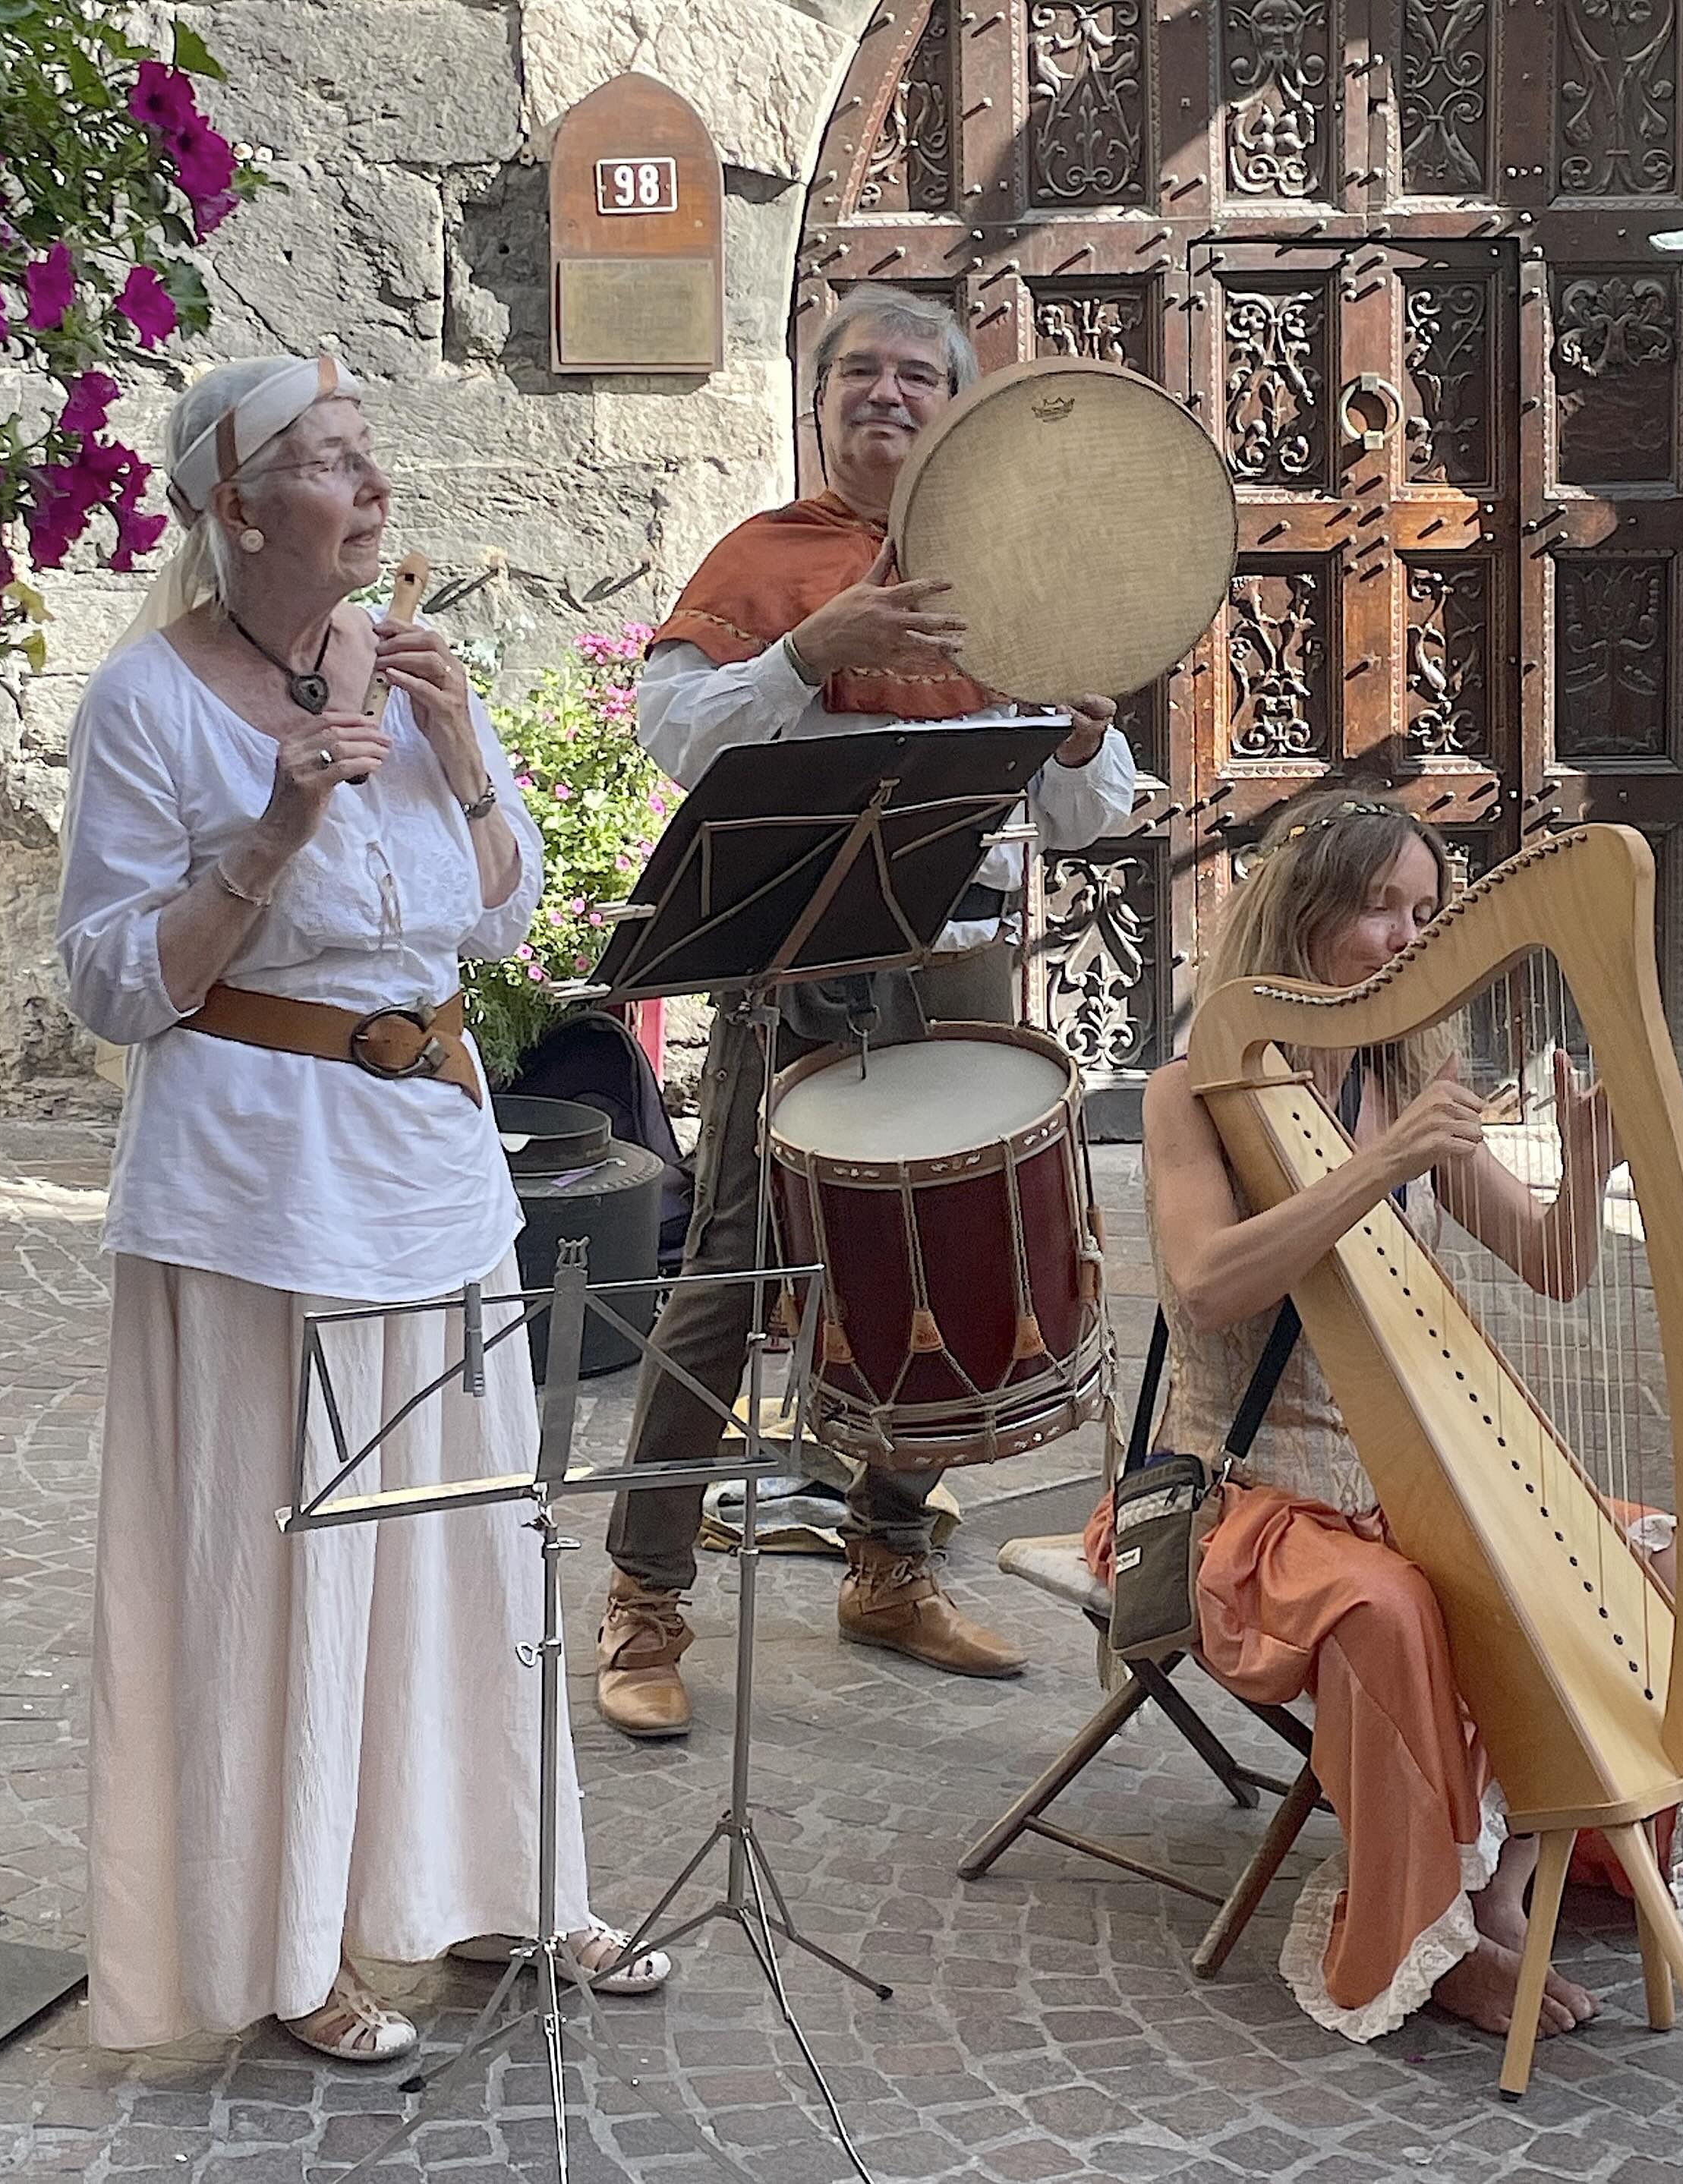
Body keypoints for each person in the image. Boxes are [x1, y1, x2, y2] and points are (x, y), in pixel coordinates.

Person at [57, 353, 670, 2063]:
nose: (373, 483)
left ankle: (497, 1885)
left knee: (472, 1544)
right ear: (239, 506)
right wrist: (272, 826)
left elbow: (493, 915)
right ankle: (290, 1941)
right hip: (256, 1184)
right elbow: (114, 982)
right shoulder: (149, 702)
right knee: (288, 1563)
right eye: (331, 461)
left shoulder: (401, 676)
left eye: (368, 452)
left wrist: (462, 744)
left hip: (434, 1157)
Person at [596, 286, 1137, 1738]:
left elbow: (1088, 814)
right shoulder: (764, 560)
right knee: (728, 1272)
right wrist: (805, 647)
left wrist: (1083, 735)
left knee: (948, 1260)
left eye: (918, 375)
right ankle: (646, 1591)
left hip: (959, 969)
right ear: (819, 397)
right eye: (859, 373)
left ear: (956, 407)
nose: (886, 393)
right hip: (798, 977)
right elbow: (674, 742)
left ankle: (888, 1561)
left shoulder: (1013, 573)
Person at [1120, 788, 1675, 2044]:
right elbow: (1207, 1283)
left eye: (1428, 912)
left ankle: (1508, 1885)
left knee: (1634, 1549)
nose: (1408, 938)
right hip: (1248, 1496)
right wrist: (1378, 1166)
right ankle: (1426, 1933)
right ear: (1303, 919)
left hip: (1392, 1487)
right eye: (1380, 908)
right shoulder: (1191, 1093)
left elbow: (1548, 1261)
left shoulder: (1404, 1075)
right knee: (1391, 1607)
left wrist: (1586, 1162)